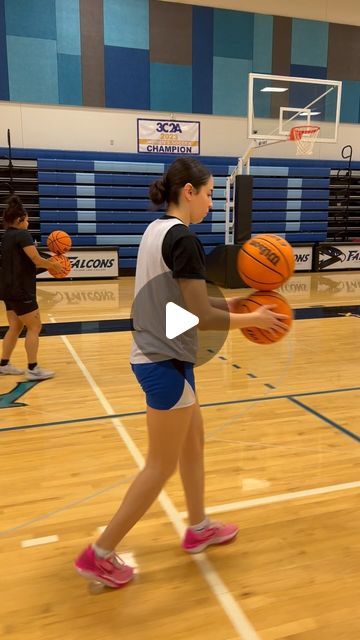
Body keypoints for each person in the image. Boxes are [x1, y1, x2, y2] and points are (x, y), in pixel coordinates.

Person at [74, 158, 288, 588]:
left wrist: (235, 305)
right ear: (188, 192)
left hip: (164, 354)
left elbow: (177, 310)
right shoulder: (184, 240)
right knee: (159, 466)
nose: (212, 202)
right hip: (161, 363)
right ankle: (98, 554)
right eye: (209, 193)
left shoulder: (157, 230)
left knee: (195, 443)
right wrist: (254, 320)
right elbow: (197, 314)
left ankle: (197, 526)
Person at [0, 194, 63, 379]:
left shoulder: (7, 236)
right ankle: (33, 368)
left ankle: (3, 364)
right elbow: (35, 259)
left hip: (7, 289)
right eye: (27, 220)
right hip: (21, 289)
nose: (28, 223)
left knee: (15, 326)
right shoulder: (22, 234)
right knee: (35, 327)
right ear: (20, 219)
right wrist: (54, 265)